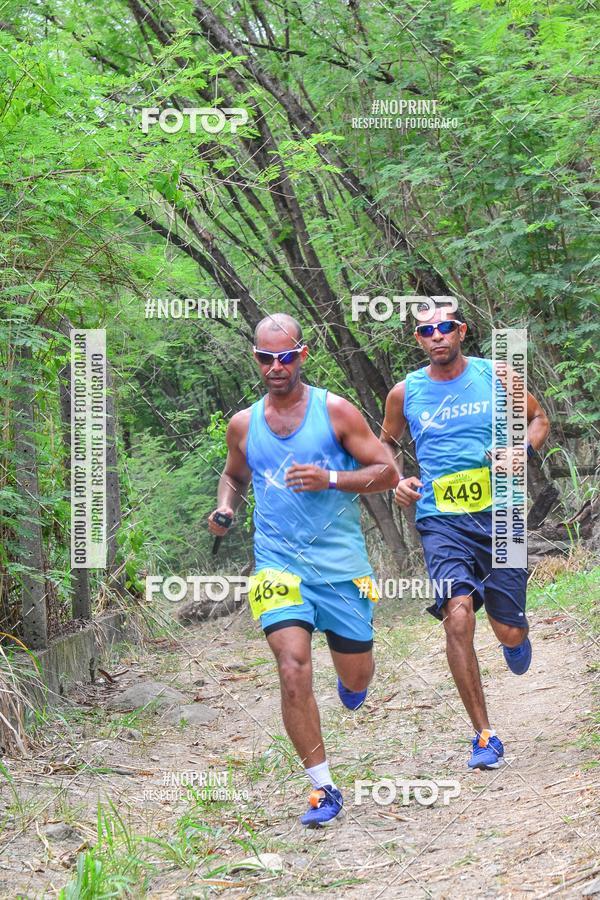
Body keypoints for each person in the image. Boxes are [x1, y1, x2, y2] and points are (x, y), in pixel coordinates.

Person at [208, 313, 398, 825]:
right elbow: (233, 474)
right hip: (276, 567)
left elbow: (387, 472)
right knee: (292, 666)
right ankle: (323, 788)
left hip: (341, 568)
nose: (276, 366)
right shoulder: (244, 424)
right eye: (267, 358)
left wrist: (331, 478)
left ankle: (352, 686)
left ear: (302, 355)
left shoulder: (336, 412)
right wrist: (226, 507)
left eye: (286, 356)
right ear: (256, 359)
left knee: (355, 675)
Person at [380, 305, 550, 769]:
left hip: (502, 515)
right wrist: (397, 479)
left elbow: (539, 420)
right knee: (456, 616)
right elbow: (386, 444)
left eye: (445, 328)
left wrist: (521, 451)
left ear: (461, 331)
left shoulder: (497, 374)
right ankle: (484, 735)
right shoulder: (405, 392)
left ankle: (514, 637)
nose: (436, 336)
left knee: (508, 626)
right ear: (418, 339)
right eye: (425, 330)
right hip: (442, 520)